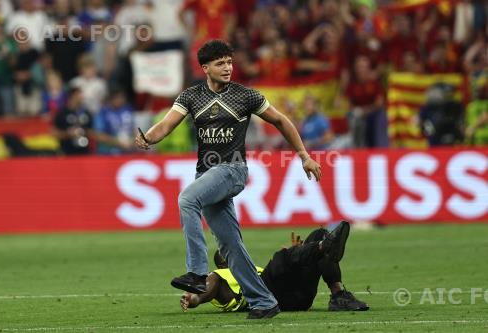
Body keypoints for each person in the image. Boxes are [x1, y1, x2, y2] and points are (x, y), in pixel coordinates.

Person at [135, 40, 321, 319]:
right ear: (205, 67)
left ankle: (197, 273)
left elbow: (281, 120)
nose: (227, 67)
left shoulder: (245, 96)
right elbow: (166, 124)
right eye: (220, 63)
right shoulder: (190, 96)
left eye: (230, 62)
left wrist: (303, 155)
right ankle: (263, 302)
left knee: (187, 198)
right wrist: (148, 137)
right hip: (206, 173)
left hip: (232, 169)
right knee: (230, 246)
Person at [180, 221, 369, 313]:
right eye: (230, 254)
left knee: (320, 233)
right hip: (267, 297)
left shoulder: (250, 269)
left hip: (298, 297)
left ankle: (338, 296)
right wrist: (195, 298)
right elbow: (210, 286)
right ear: (224, 263)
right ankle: (321, 247)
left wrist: (300, 253)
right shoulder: (221, 274)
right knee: (281, 257)